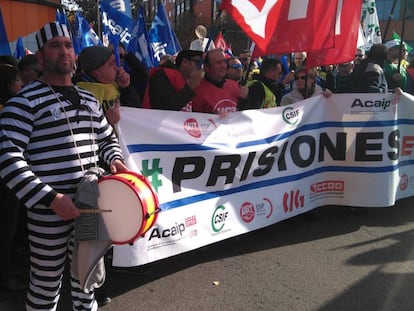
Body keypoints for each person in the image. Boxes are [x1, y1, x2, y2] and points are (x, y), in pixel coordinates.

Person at [0, 22, 128, 310]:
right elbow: (8, 158)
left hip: (91, 203)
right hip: (49, 212)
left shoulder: (88, 99)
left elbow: (106, 139)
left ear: (75, 53)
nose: (63, 51)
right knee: (46, 284)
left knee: (87, 278)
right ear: (41, 57)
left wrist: (116, 161)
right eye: (54, 45)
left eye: (68, 45)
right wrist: (50, 198)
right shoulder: (23, 103)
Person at [0, 63, 26, 292]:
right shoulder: (10, 112)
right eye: (17, 80)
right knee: (5, 229)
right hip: (6, 181)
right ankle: (5, 277)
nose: (21, 84)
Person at [74, 45, 141, 126]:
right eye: (111, 64)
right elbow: (82, 128)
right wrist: (106, 122)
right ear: (97, 70)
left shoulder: (114, 83)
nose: (117, 68)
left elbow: (136, 113)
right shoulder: (81, 95)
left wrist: (126, 88)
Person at [192, 48, 248, 114]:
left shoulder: (234, 85)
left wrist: (245, 99)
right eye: (218, 63)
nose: (223, 66)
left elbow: (244, 115)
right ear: (206, 67)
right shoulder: (198, 90)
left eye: (224, 62)